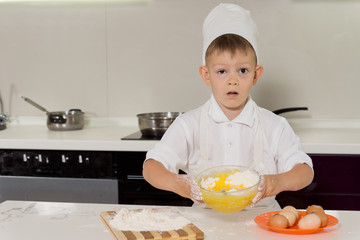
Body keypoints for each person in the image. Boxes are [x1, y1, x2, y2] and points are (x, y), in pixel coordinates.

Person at [143, 3, 313, 208]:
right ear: (206, 75)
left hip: (261, 224)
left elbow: (304, 172)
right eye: (222, 71)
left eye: (242, 70)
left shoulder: (275, 125)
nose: (232, 80)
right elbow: (152, 167)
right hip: (205, 224)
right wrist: (181, 184)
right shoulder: (188, 124)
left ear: (256, 75)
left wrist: (274, 183)